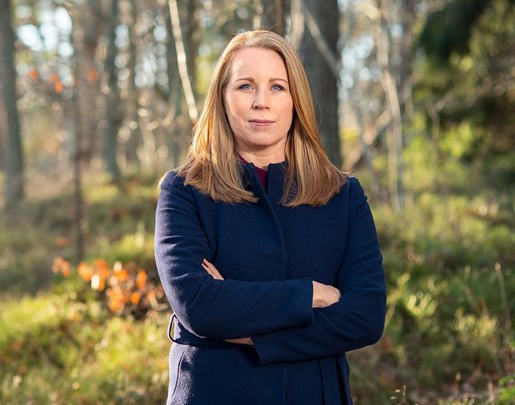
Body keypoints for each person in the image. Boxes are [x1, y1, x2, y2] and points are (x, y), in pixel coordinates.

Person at [154, 30, 387, 404]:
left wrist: (247, 330)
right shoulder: (184, 191)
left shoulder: (343, 195)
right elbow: (198, 305)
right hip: (214, 392)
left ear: (296, 100)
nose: (261, 102)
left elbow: (365, 317)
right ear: (222, 98)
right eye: (245, 86)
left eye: (277, 87)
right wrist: (312, 294)